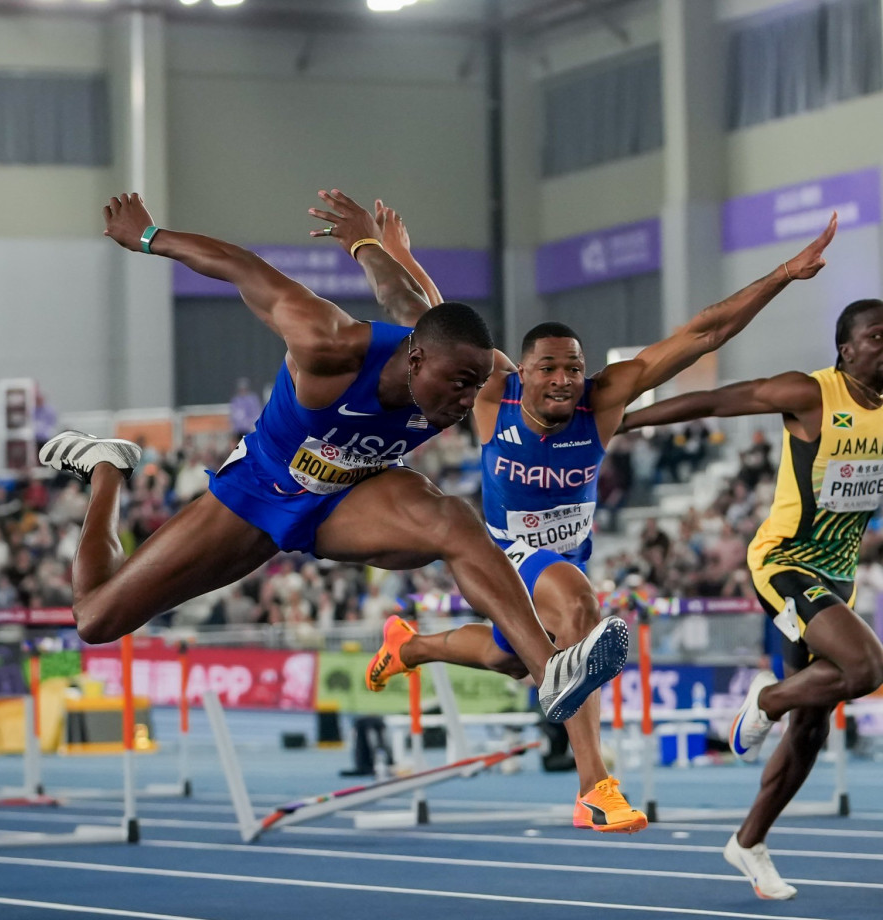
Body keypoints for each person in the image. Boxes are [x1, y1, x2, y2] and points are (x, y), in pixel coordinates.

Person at [317, 195, 837, 834]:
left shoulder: (605, 401)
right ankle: (596, 784)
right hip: (505, 555)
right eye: (548, 369)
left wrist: (782, 275)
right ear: (523, 372)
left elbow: (704, 332)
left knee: (516, 660)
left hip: (569, 552)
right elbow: (432, 320)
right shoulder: (491, 392)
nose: (563, 380)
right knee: (582, 615)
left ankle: (413, 644)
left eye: (574, 368)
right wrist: (389, 252)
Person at [39, 189, 630, 727]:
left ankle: (551, 670)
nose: (460, 404)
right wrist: (149, 237)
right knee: (96, 619)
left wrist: (367, 243)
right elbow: (245, 269)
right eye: (454, 385)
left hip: (349, 496)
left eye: (474, 387)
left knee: (454, 520)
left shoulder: (459, 365)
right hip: (258, 491)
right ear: (417, 360)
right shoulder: (329, 347)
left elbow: (406, 294)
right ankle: (107, 468)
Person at [622, 297, 883, 898]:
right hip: (783, 563)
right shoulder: (812, 394)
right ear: (847, 349)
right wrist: (628, 421)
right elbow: (717, 401)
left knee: (813, 727)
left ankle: (748, 843)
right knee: (866, 667)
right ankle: (765, 701)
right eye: (877, 336)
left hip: (836, 573)